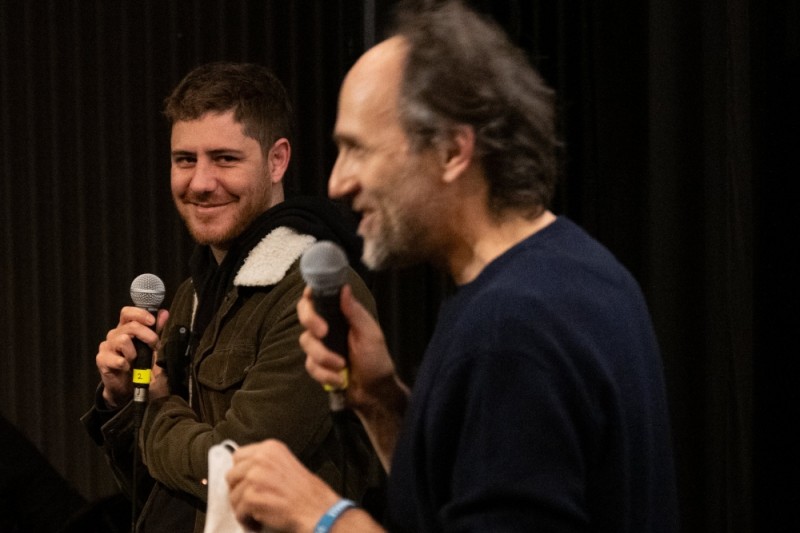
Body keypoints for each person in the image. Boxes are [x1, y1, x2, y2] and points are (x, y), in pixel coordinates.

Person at [224, 1, 679, 532]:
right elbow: (454, 503)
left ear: (451, 152)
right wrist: (379, 399)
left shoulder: (514, 327)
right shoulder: (581, 271)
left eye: (357, 150)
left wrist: (320, 515)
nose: (337, 183)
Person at [81, 61, 383, 533]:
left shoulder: (310, 296)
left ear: (277, 160)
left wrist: (155, 404)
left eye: (224, 159)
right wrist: (124, 397)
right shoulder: (192, 294)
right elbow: (157, 491)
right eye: (185, 159)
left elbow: (231, 472)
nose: (200, 182)